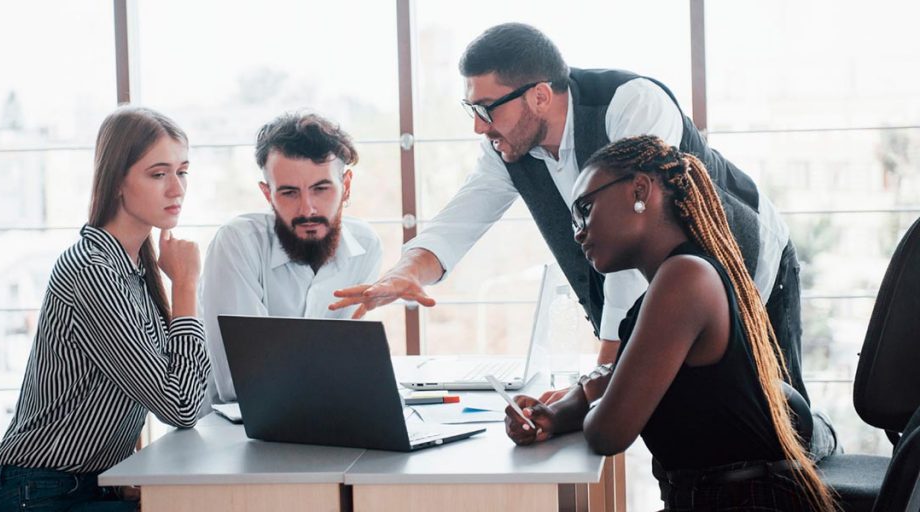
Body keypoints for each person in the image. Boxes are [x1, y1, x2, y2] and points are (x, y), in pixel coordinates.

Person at [329, 22, 838, 456]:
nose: (480, 128)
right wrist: (404, 272)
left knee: (780, 435)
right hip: (666, 305)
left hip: (751, 271)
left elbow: (632, 249)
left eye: (487, 109)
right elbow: (464, 215)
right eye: (473, 111)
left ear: (540, 95)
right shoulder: (509, 149)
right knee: (695, 432)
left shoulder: (630, 104)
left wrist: (600, 375)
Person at [504, 134, 834, 511]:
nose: (577, 231)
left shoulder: (685, 279)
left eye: (585, 209)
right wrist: (550, 416)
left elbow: (608, 432)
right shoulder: (666, 287)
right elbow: (615, 385)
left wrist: (596, 392)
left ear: (639, 190)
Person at [0, 106, 210, 511]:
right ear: (117, 181)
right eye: (159, 174)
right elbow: (182, 406)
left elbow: (186, 392)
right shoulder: (93, 272)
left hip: (84, 488)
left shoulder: (134, 268)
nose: (177, 188)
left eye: (182, 171)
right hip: (36, 496)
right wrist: (186, 285)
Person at [200, 112, 382, 404]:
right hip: (229, 429)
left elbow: (345, 361)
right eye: (289, 192)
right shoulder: (237, 243)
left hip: (320, 414)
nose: (307, 209)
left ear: (345, 186)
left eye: (321, 189)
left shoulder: (366, 246)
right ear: (267, 193)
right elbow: (239, 380)